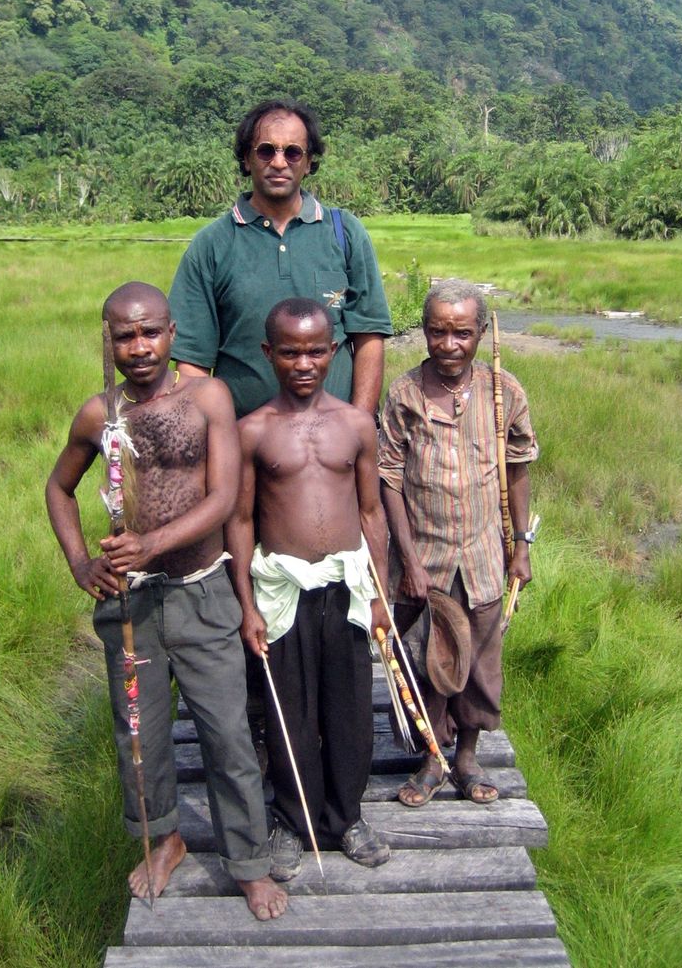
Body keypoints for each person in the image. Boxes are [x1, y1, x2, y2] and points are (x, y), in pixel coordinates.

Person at [45, 282, 287, 920]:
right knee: (140, 736)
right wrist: (80, 563)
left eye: (150, 332)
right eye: (125, 335)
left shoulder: (207, 396)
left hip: (202, 592)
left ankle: (249, 862)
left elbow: (224, 496)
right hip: (131, 609)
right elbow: (59, 487)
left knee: (228, 733)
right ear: (109, 340)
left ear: (173, 333)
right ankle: (162, 840)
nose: (139, 346)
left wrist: (151, 543)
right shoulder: (101, 415)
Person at [226, 298, 391, 881]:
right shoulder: (253, 432)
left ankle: (347, 818)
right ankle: (292, 822)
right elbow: (241, 522)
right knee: (287, 710)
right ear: (268, 354)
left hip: (345, 586)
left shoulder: (356, 423)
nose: (304, 363)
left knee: (349, 708)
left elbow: (372, 512)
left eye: (317, 351)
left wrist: (379, 596)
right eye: (290, 351)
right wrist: (248, 606)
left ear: (336, 352)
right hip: (282, 591)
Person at [378, 279, 538, 807]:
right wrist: (407, 559)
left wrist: (521, 547)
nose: (449, 345)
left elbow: (517, 471)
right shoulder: (404, 395)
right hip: (425, 558)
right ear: (424, 332)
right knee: (427, 658)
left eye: (462, 334)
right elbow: (390, 481)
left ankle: (466, 757)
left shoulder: (503, 393)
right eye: (437, 332)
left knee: (481, 663)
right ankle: (431, 757)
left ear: (481, 332)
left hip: (485, 558)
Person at [168, 98, 393, 419]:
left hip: (333, 446)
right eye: (265, 150)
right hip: (245, 448)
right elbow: (193, 363)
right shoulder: (212, 244)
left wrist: (357, 429)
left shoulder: (345, 233)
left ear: (308, 161)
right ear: (247, 159)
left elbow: (368, 337)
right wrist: (212, 442)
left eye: (292, 152)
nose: (278, 162)